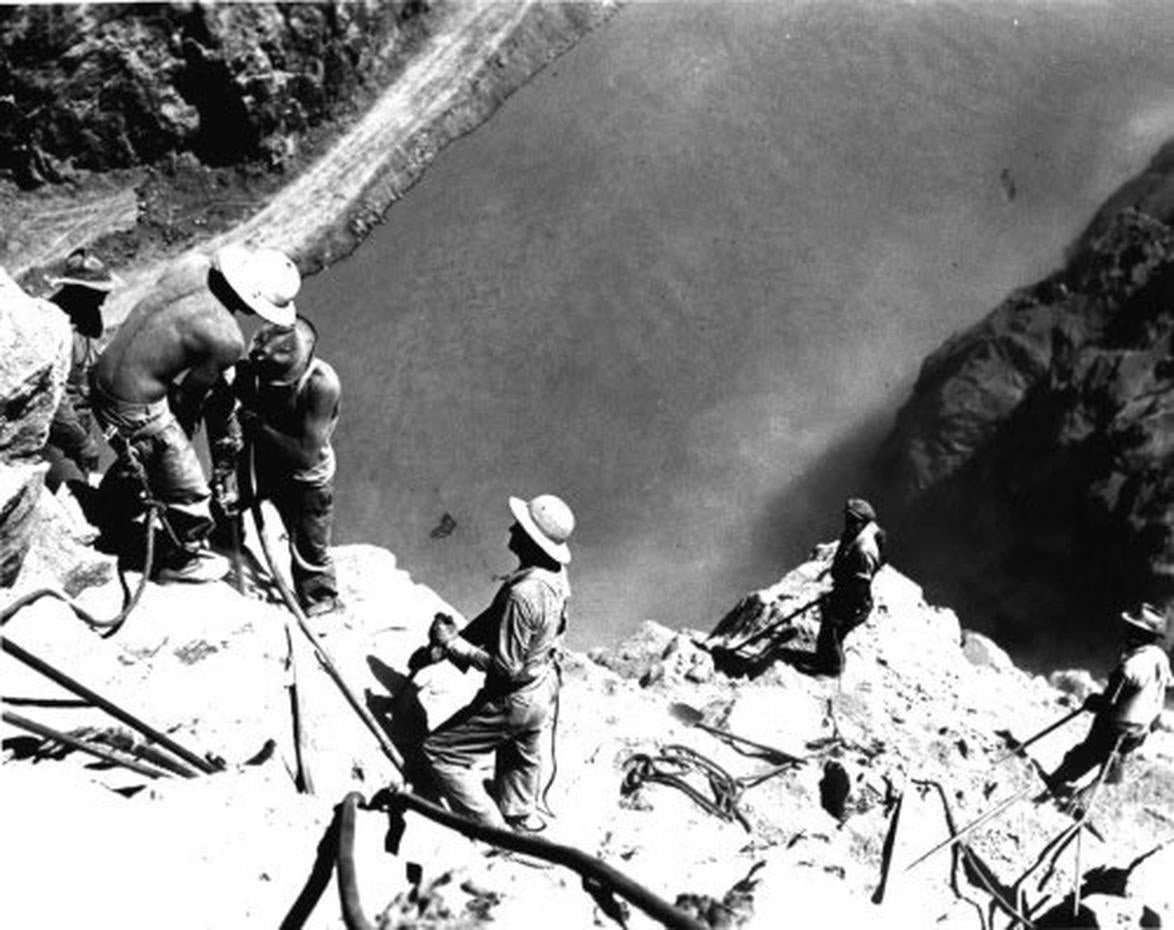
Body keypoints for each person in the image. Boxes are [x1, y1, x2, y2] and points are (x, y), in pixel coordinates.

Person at [90, 243, 300, 583]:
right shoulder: (227, 339)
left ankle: (111, 506)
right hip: (132, 408)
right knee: (187, 488)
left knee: (143, 455)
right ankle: (179, 561)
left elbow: (167, 331)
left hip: (103, 375)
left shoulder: (191, 265)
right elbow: (189, 398)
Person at [416, 493, 575, 832]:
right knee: (520, 756)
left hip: (513, 696)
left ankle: (494, 834)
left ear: (532, 542)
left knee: (441, 754)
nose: (512, 528)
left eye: (521, 527)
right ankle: (517, 817)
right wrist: (448, 649)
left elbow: (506, 668)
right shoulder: (555, 576)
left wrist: (453, 644)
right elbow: (495, 618)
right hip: (541, 688)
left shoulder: (523, 594)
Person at [206, 315, 342, 616]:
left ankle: (321, 597)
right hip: (266, 459)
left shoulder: (321, 385)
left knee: (309, 545)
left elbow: (305, 454)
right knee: (227, 500)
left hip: (305, 476)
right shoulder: (259, 367)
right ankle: (226, 543)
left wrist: (258, 427)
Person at [1044, 603, 1171, 797]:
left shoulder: (1129, 666)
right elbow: (1167, 683)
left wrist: (1093, 701)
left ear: (1136, 634)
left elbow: (1108, 703)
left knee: (1088, 752)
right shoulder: (1160, 658)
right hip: (1139, 731)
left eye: (1130, 628)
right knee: (1113, 761)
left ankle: (1058, 781)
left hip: (1116, 727)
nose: (1125, 632)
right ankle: (1088, 793)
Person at [41, 248, 121, 486]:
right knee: (71, 494)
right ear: (79, 291)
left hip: (80, 425)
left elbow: (93, 374)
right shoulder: (50, 323)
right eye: (99, 292)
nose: (105, 298)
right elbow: (53, 395)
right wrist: (81, 442)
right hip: (50, 434)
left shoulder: (91, 317)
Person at [811, 497, 886, 676]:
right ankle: (824, 660)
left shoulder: (864, 548)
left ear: (863, 522)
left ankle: (832, 669)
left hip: (855, 597)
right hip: (847, 589)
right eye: (848, 518)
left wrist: (842, 598)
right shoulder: (854, 534)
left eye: (853, 520)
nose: (848, 523)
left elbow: (860, 583)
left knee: (834, 628)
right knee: (830, 626)